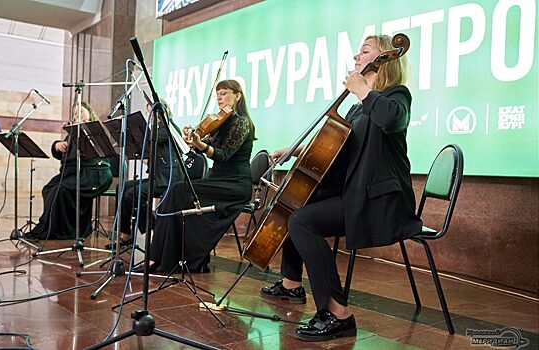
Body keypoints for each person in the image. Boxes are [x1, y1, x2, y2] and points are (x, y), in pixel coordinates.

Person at [260, 34, 423, 341]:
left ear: (384, 59)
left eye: (364, 51)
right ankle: (291, 283)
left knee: (302, 221)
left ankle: (337, 313)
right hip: (356, 194)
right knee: (299, 204)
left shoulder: (395, 96)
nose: (355, 57)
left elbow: (391, 120)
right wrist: (298, 152)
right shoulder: (358, 109)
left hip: (381, 201)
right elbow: (338, 153)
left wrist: (363, 91)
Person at [146, 79, 256, 273]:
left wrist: (201, 144)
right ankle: (166, 257)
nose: (219, 98)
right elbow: (197, 146)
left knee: (179, 190)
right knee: (177, 192)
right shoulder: (220, 122)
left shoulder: (241, 123)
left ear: (237, 96)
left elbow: (222, 155)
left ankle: (165, 258)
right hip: (219, 180)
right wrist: (193, 139)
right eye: (217, 94)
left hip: (235, 184)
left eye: (224, 93)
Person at [27, 101, 113, 240]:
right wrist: (57, 145)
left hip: (95, 173)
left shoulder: (95, 130)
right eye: (75, 113)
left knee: (60, 190)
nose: (77, 114)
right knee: (49, 188)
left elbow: (96, 150)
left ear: (90, 114)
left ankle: (68, 230)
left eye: (81, 111)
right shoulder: (73, 132)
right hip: (76, 173)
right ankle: (52, 227)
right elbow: (66, 153)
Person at [111, 100, 183, 248]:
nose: (150, 117)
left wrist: (127, 126)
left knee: (132, 194)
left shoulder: (169, 128)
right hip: (157, 177)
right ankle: (125, 232)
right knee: (122, 187)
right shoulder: (155, 131)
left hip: (168, 179)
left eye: (152, 113)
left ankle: (155, 226)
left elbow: (148, 137)